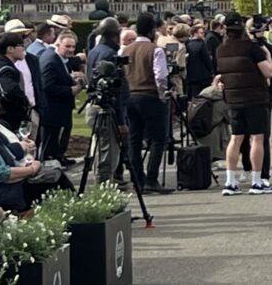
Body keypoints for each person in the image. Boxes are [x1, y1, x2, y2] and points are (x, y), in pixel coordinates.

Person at [216, 12, 272, 196]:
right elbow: (268, 72)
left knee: (236, 138)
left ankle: (230, 181)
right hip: (255, 97)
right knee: (257, 138)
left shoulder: (221, 49)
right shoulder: (251, 48)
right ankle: (257, 181)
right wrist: (267, 55)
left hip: (233, 98)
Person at [121, 13, 173, 193]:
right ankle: (151, 178)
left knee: (134, 139)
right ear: (152, 31)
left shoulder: (125, 50)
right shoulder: (155, 50)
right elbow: (160, 76)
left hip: (130, 96)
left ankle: (138, 179)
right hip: (150, 95)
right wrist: (162, 94)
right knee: (158, 138)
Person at [85, 18, 128, 185]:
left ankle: (103, 183)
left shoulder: (94, 51)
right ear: (116, 35)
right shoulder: (109, 54)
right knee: (108, 152)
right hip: (108, 108)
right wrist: (121, 121)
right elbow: (115, 90)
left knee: (100, 148)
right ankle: (104, 185)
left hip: (94, 104)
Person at [38, 31, 84, 164]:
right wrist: (70, 90)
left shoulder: (59, 58)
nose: (71, 50)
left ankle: (59, 158)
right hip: (53, 109)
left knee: (59, 138)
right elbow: (47, 86)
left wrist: (72, 78)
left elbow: (60, 76)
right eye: (67, 46)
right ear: (58, 45)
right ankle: (51, 163)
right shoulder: (51, 60)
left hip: (60, 108)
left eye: (73, 47)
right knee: (51, 140)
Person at [0, 33, 31, 130]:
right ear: (10, 49)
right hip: (7, 119)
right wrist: (24, 100)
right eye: (21, 45)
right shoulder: (5, 68)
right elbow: (9, 90)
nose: (23, 48)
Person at [184, 23, 215, 99]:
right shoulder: (201, 44)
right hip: (203, 75)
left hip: (191, 75)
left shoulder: (187, 44)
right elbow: (207, 59)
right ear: (195, 33)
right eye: (201, 33)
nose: (203, 34)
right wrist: (212, 71)